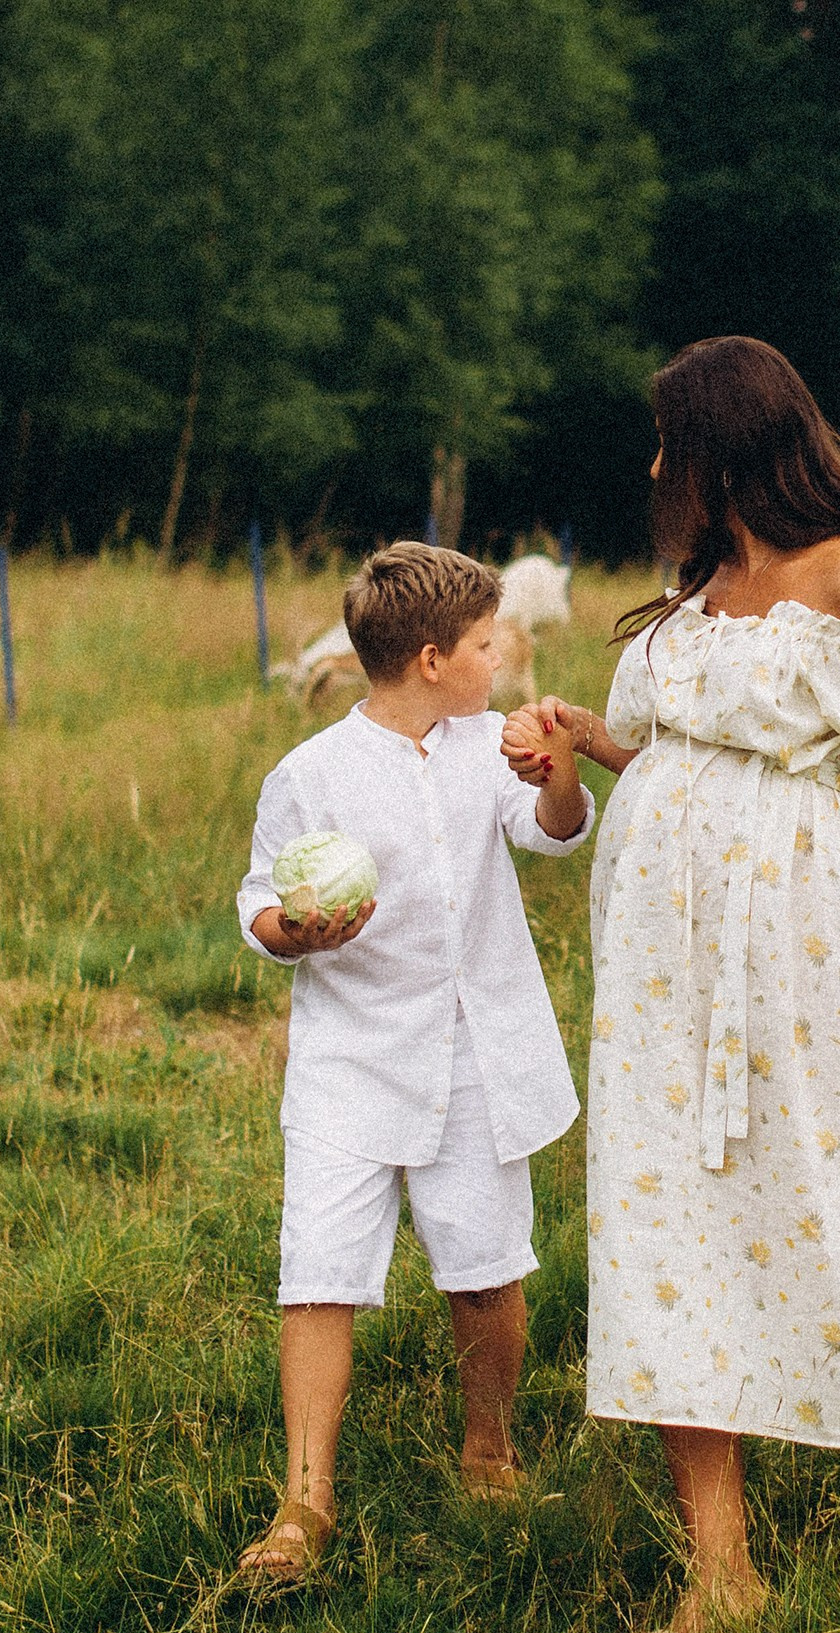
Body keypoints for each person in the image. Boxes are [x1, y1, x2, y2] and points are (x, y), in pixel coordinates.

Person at [502, 336, 840, 1633]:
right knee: (670, 1219)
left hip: (810, 946)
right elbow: (684, 761)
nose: (659, 465)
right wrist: (591, 742)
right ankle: (719, 1571)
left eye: (671, 439)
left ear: (727, 442)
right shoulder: (694, 596)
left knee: (839, 1187)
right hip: (664, 973)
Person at [232, 542, 595, 1580]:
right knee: (320, 1277)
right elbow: (261, 899)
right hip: (352, 1061)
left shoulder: (494, 746)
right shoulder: (308, 775)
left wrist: (559, 774)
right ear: (432, 657)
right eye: (487, 643)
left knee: (485, 1269)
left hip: (479, 1050)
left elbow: (555, 833)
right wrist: (291, 933)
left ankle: (490, 1448)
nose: (502, 655)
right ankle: (305, 1508)